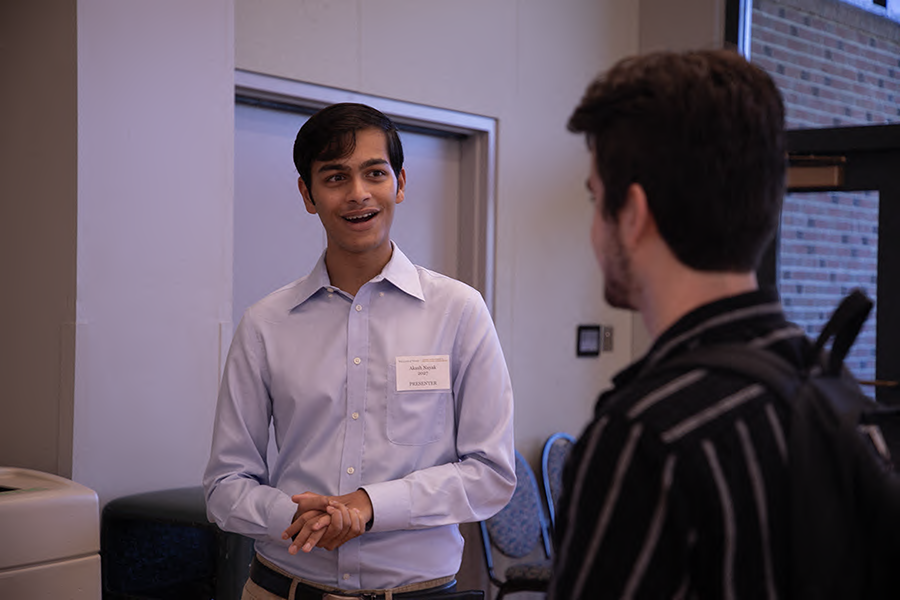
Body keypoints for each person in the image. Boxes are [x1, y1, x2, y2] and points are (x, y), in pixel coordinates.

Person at [204, 102, 516, 600]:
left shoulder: (459, 311)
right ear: (307, 194)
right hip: (282, 589)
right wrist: (300, 517)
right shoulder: (266, 324)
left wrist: (369, 506)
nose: (358, 194)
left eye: (375, 173)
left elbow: (490, 475)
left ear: (401, 183)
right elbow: (225, 484)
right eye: (334, 177)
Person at [551, 49, 794, 599]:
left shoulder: (644, 439)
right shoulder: (824, 388)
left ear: (632, 215)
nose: (594, 229)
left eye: (596, 200)